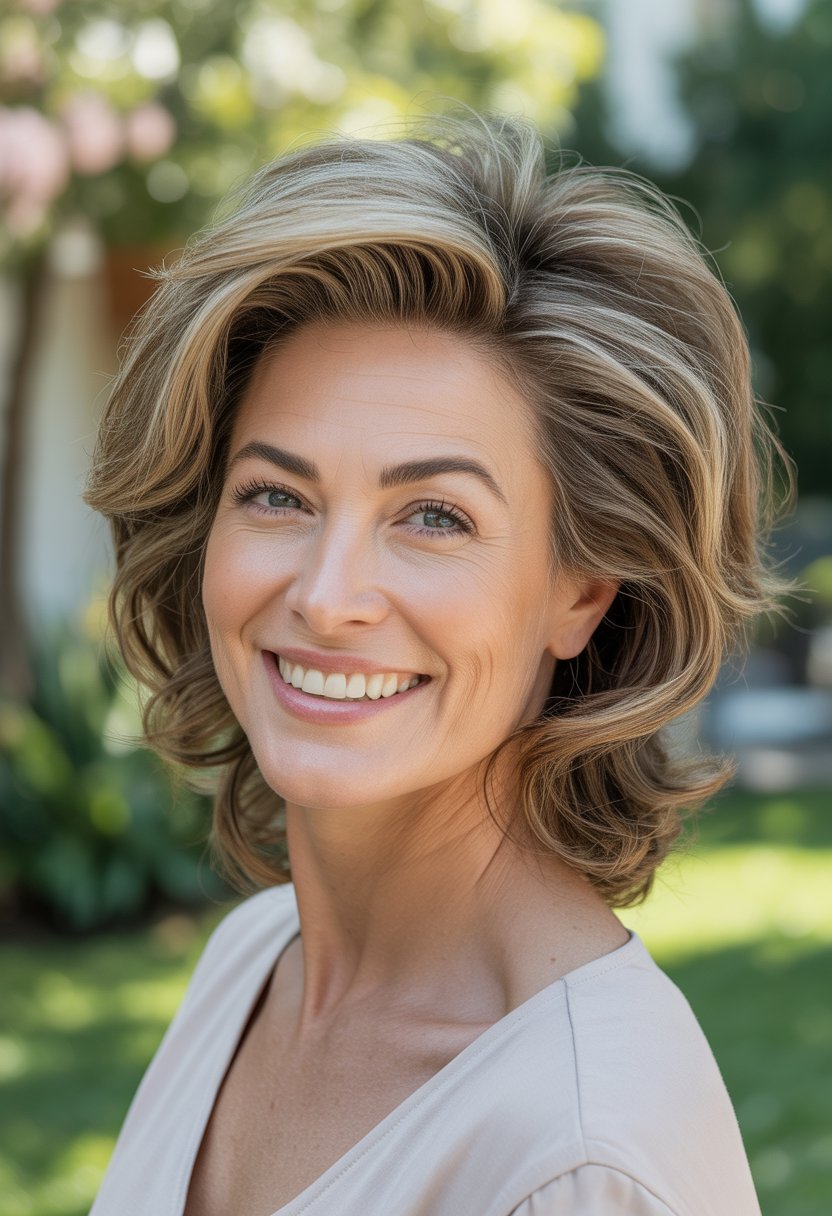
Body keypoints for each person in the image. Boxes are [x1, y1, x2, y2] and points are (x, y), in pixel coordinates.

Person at [85, 113, 784, 1216]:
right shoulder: (252, 962)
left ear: (580, 590)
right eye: (277, 494)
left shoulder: (580, 1156)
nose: (324, 594)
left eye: (433, 516)